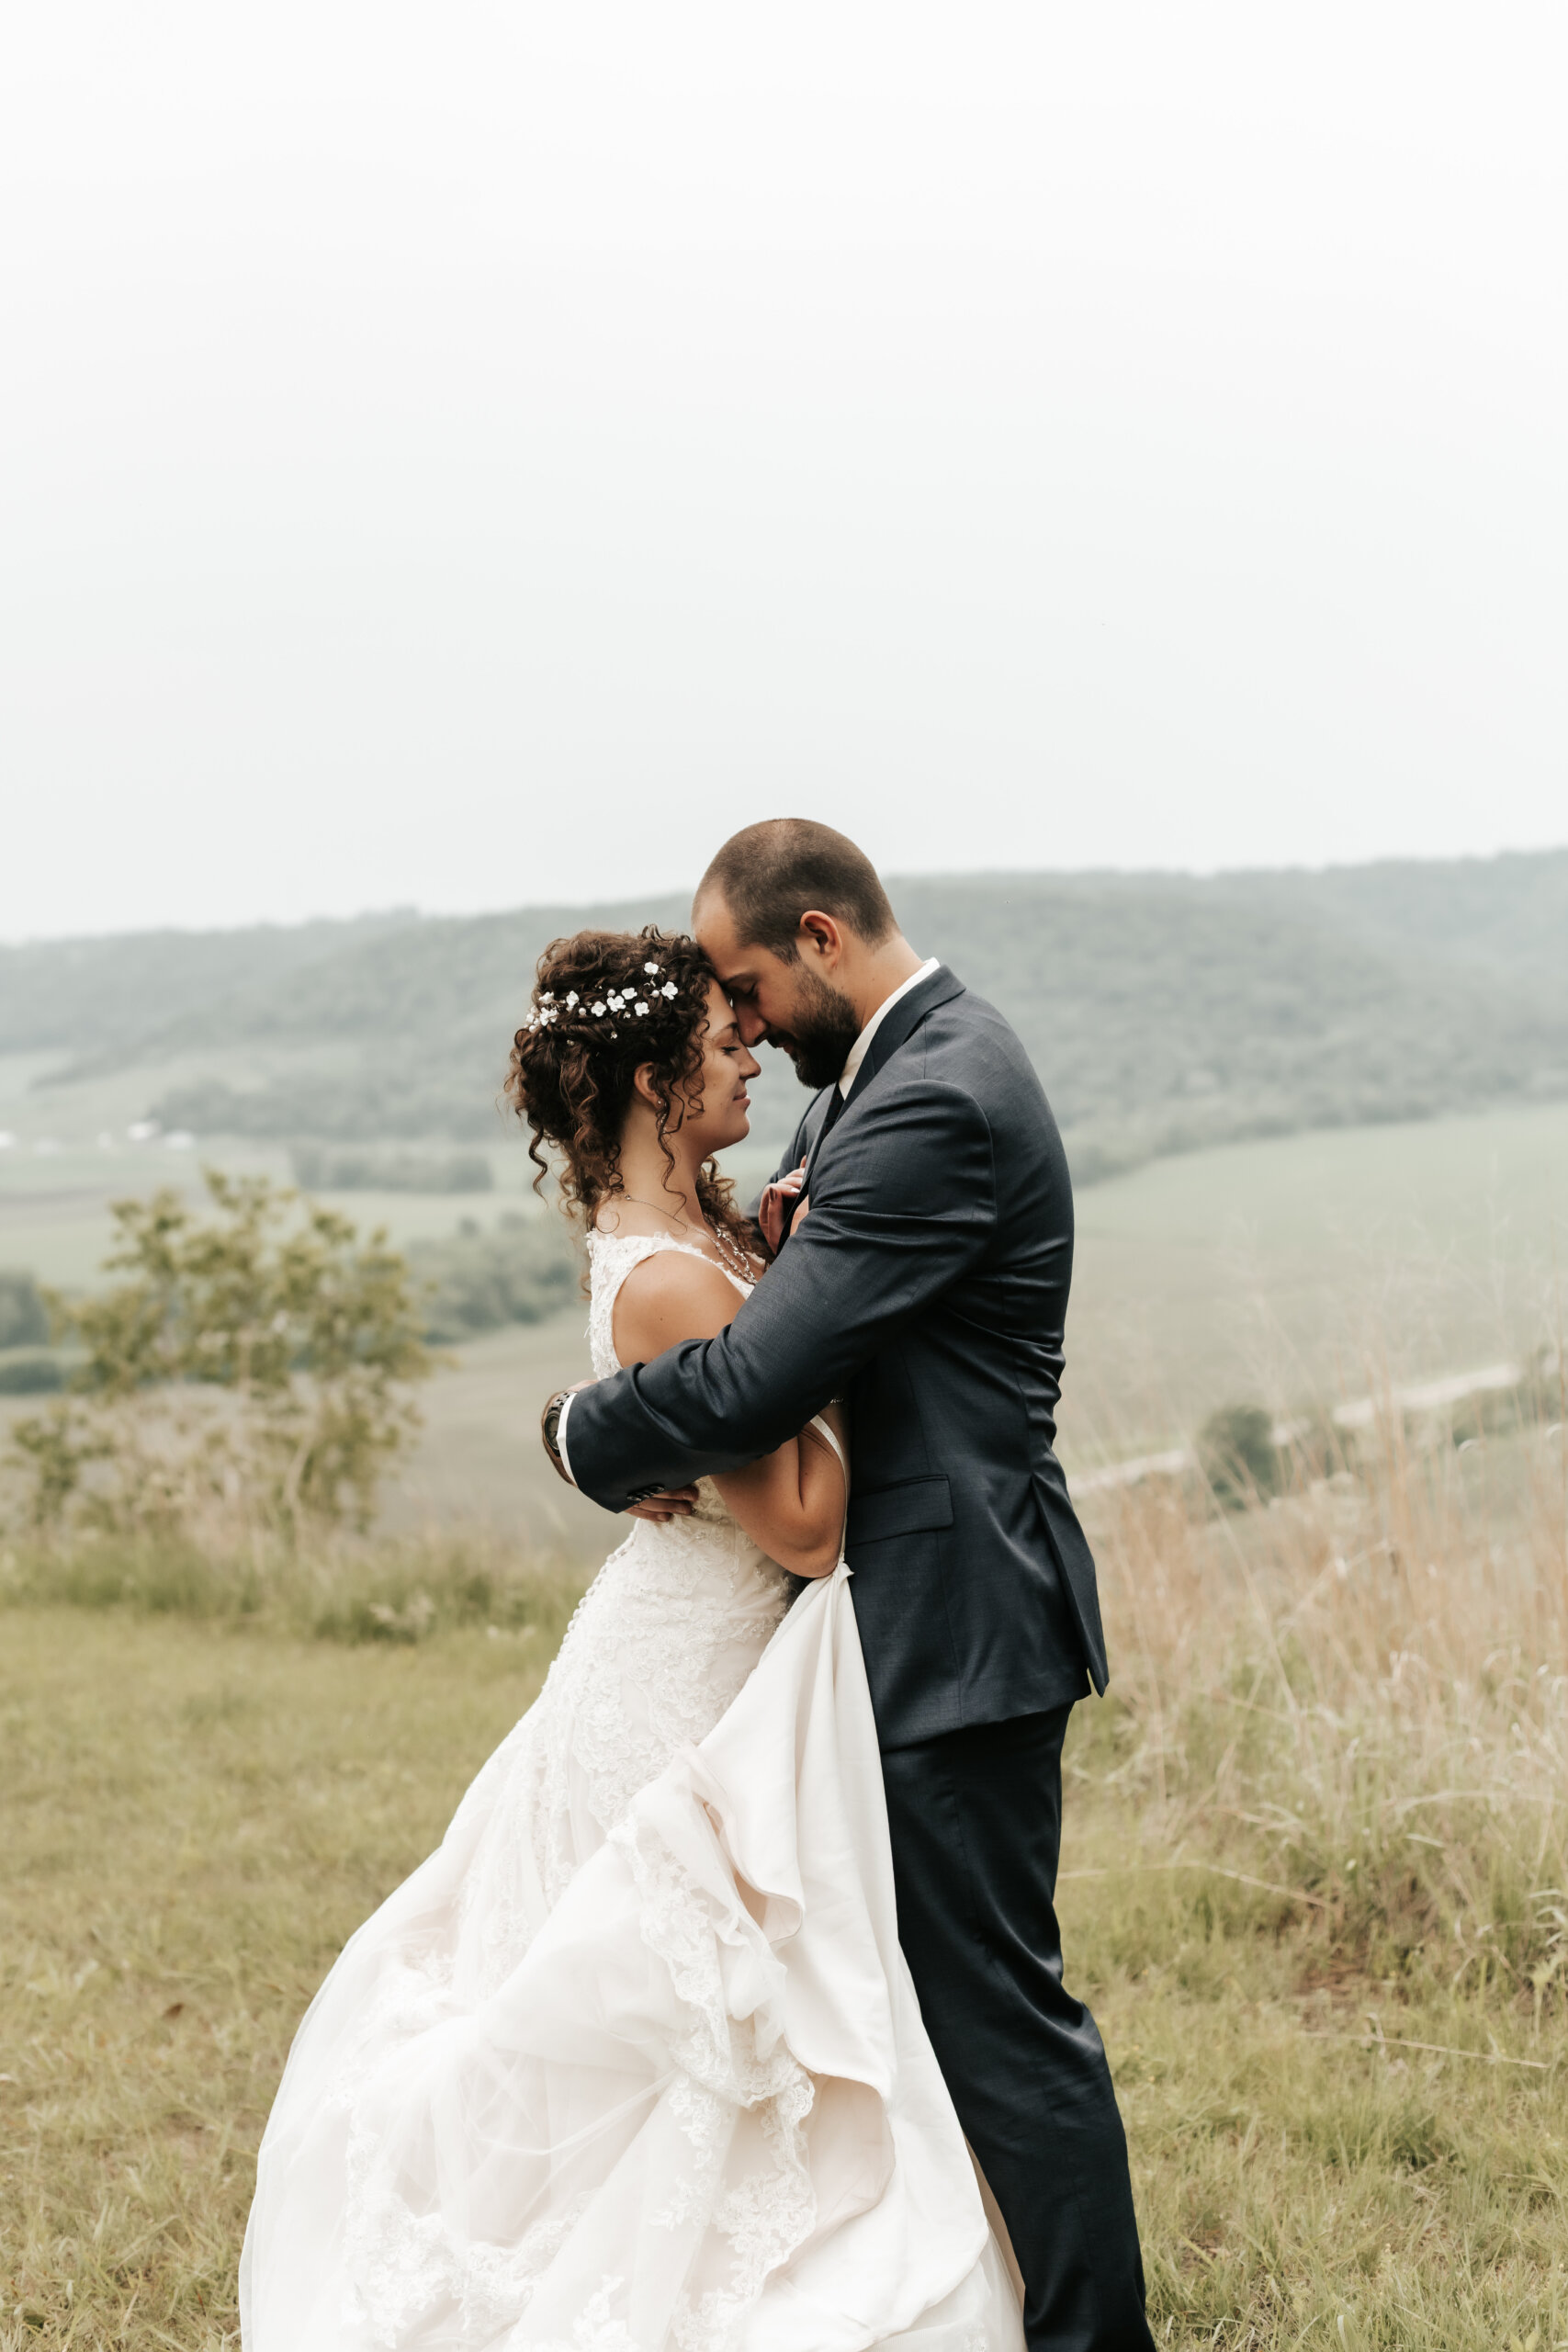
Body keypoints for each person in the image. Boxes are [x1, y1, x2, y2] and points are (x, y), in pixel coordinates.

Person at [241, 924, 1024, 2351]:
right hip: (692, 1677)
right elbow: (804, 1529)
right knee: (682, 2013)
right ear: (659, 1083)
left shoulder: (695, 1240)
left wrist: (788, 1294)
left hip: (694, 1644)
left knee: (700, 2005)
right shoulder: (672, 1282)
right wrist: (852, 1339)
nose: (751, 1063)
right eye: (725, 1047)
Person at [543, 820, 1156, 2352]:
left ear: (820, 937)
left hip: (959, 1617)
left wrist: (580, 1431)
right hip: (895, 1626)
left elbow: (755, 1377)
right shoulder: (875, 1077)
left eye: (750, 988)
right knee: (916, 2014)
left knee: (999, 2024)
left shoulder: (937, 1091)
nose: (745, 1028)